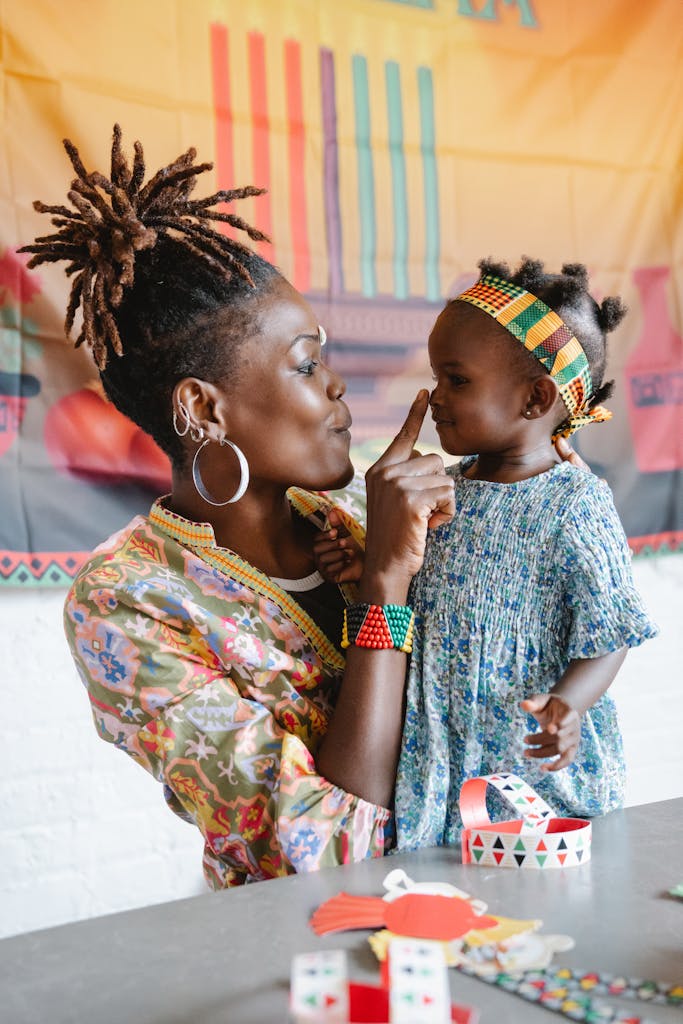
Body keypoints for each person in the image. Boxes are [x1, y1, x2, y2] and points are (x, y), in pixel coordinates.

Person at [20, 125, 456, 888]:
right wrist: (384, 586)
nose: (336, 386)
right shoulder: (129, 603)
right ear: (204, 409)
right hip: (312, 953)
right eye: (305, 363)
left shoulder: (357, 515)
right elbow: (325, 851)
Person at [316, 259, 658, 851]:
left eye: (457, 380)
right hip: (443, 759)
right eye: (436, 376)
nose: (435, 396)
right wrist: (366, 562)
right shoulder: (443, 488)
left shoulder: (575, 502)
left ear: (535, 398)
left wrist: (567, 706)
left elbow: (613, 630)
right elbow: (427, 591)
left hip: (531, 768)